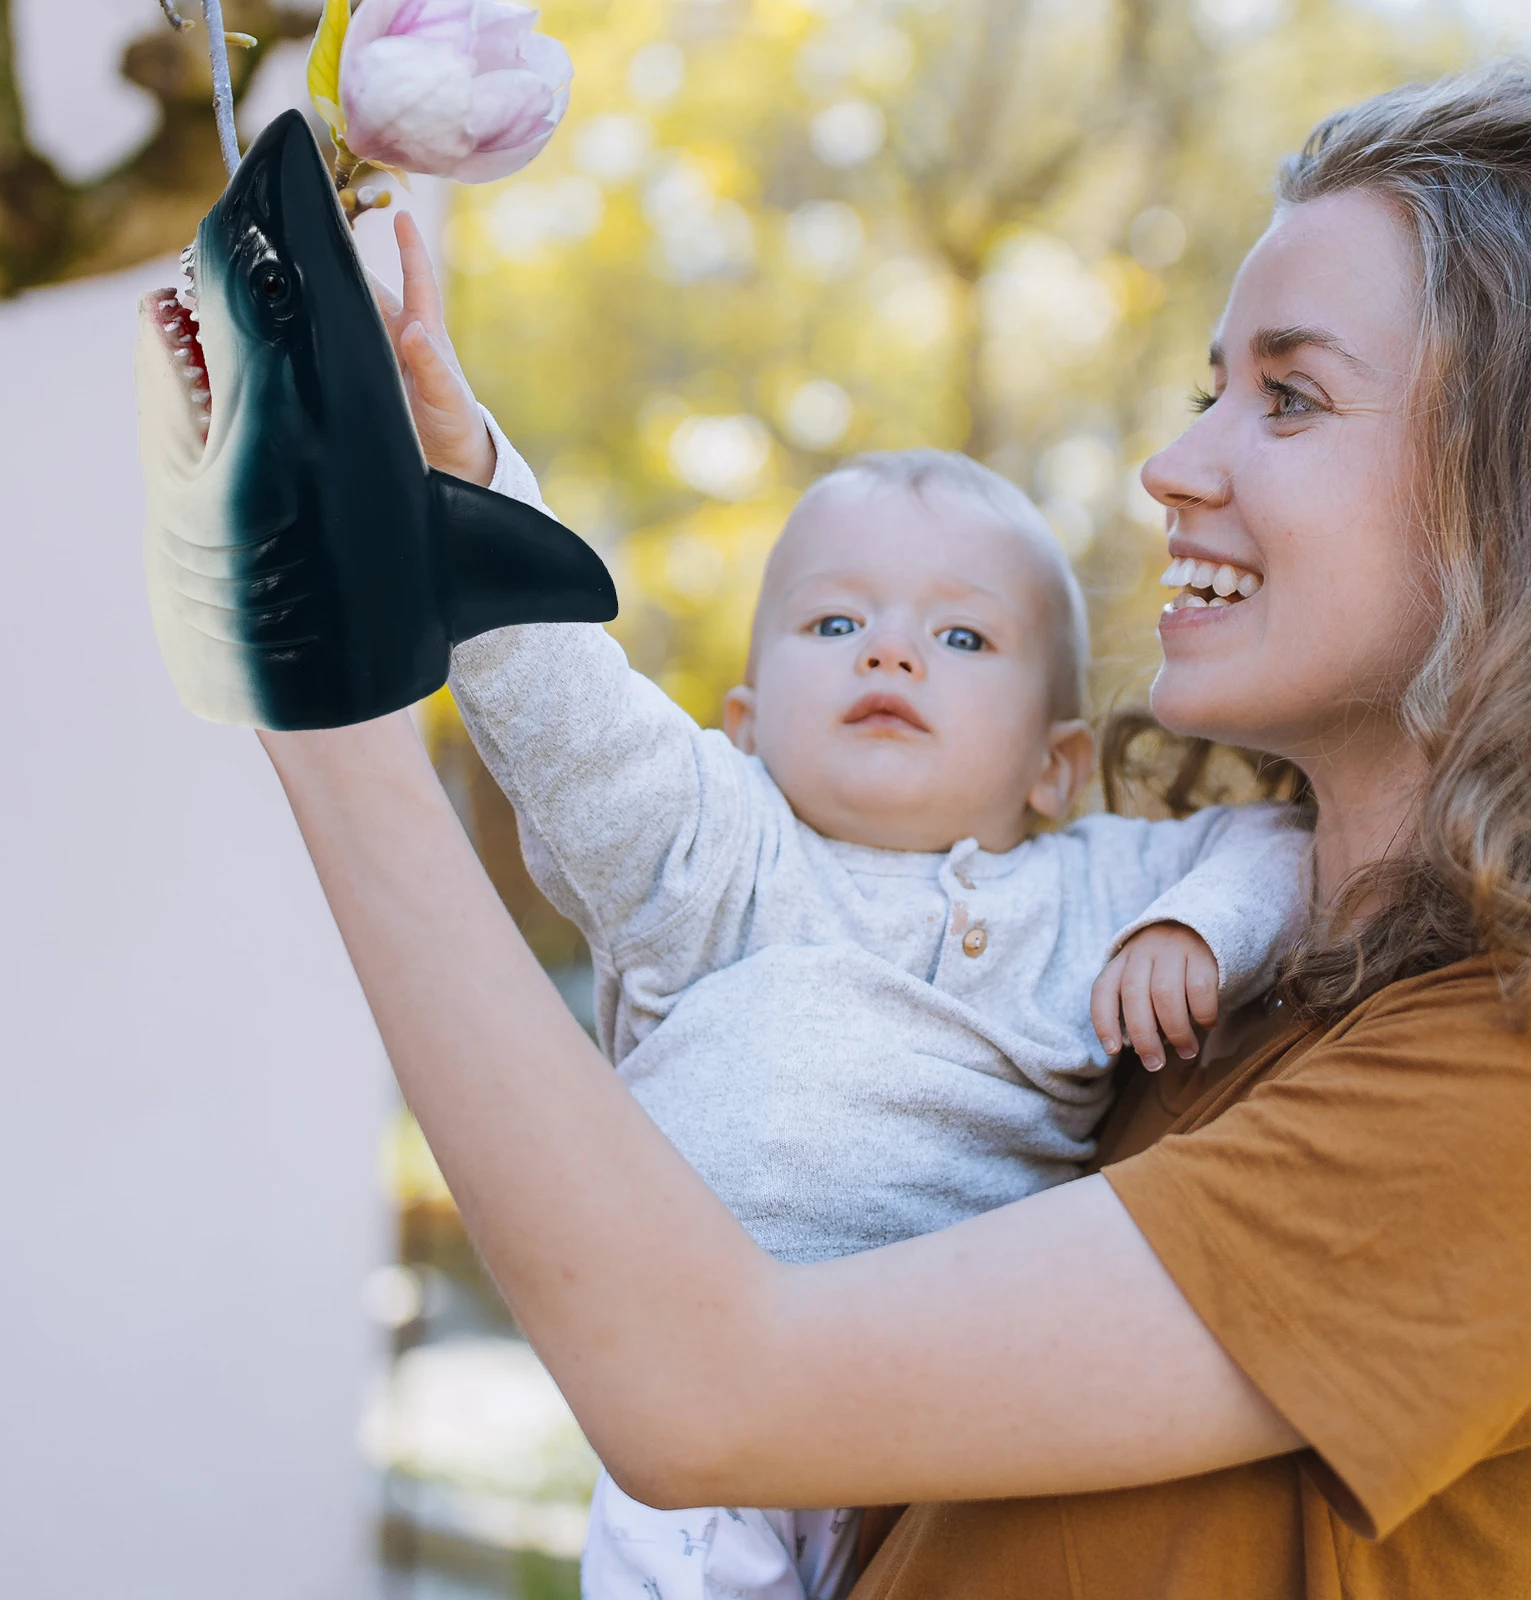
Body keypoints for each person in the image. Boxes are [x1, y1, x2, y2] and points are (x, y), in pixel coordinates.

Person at [258, 65, 1531, 1598]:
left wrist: (320, 692)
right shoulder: (1193, 1009)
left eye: (1292, 396)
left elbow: (708, 1395)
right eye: (1209, 392)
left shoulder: (1504, 1094)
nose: (1175, 466)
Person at [400, 352, 1305, 1591]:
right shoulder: (711, 852)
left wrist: (1197, 926)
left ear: (1054, 767)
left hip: (946, 1440)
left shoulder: (1097, 888)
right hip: (701, 1443)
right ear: (744, 723)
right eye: (836, 624)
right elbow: (566, 701)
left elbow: (1280, 843)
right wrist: (472, 475)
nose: (890, 652)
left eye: (960, 634)